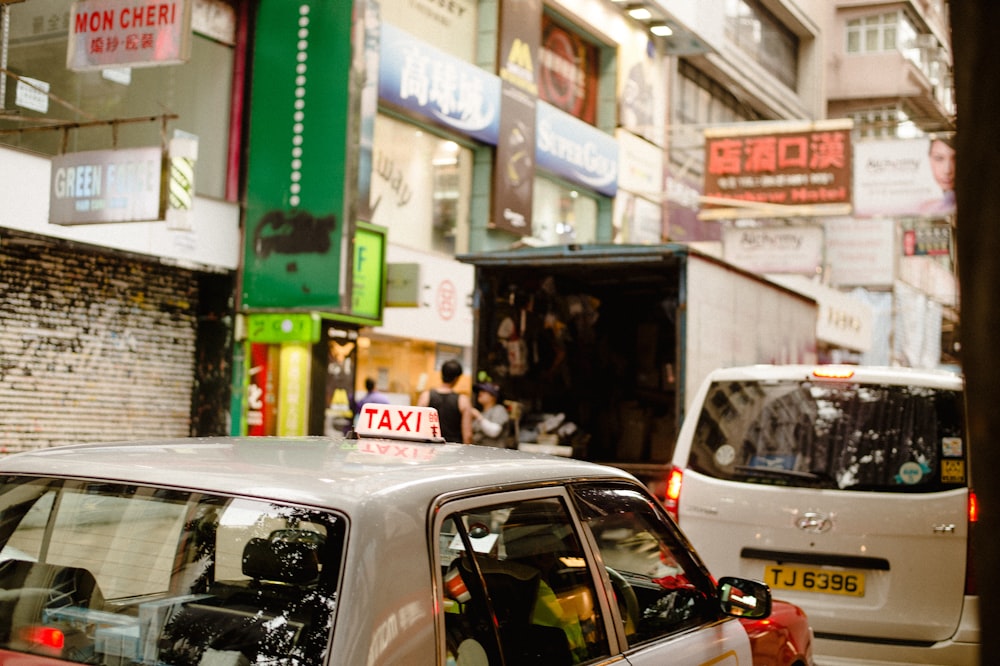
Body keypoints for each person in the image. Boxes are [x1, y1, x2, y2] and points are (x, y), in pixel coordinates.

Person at [417, 359, 473, 443]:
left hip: (430, 449)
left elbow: (418, 427)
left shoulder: (426, 396)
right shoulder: (463, 401)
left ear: (441, 374)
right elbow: (467, 435)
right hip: (454, 451)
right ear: (457, 378)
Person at [920, 136, 956, 215]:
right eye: (939, 158)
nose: (947, 170)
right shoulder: (925, 208)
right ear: (929, 159)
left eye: (956, 158)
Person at [471, 382, 512, 448]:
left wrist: (478, 417)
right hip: (478, 452)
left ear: (493, 396)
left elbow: (494, 432)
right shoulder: (482, 412)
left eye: (484, 391)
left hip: (493, 454)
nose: (480, 393)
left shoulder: (499, 409)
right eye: (480, 391)